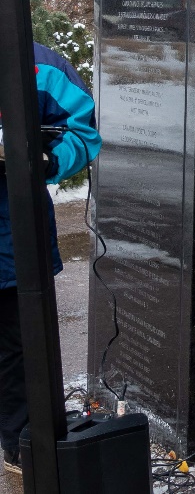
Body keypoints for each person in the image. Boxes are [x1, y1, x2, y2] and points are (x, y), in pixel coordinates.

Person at [0, 43, 101, 474]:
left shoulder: (38, 63)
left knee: (18, 350)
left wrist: (40, 160)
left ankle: (20, 443)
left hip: (11, 238)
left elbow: (83, 130)